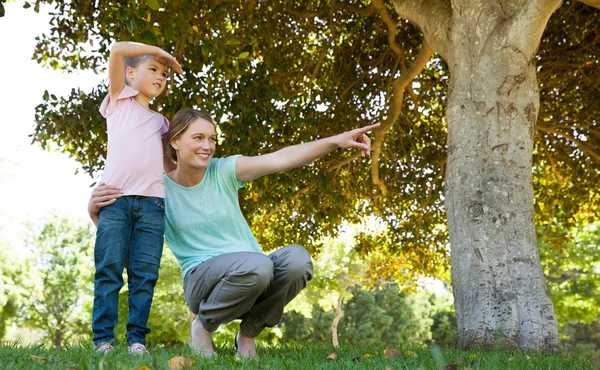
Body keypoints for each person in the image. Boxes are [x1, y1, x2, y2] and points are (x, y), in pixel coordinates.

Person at [89, 108, 378, 358]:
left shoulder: (224, 170)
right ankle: (203, 326)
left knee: (298, 260)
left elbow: (280, 159)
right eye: (198, 138)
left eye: (212, 138)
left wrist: (336, 141)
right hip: (202, 281)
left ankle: (248, 335)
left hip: (253, 272)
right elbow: (127, 255)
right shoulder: (157, 189)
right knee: (258, 264)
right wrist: (95, 214)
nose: (208, 145)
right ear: (175, 141)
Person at [90, 41, 183, 354]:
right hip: (115, 202)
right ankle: (103, 339)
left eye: (165, 73)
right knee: (109, 271)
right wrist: (163, 52)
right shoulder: (119, 101)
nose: (161, 75)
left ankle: (136, 340)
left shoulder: (161, 122)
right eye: (154, 69)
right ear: (130, 73)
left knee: (145, 275)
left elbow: (168, 165)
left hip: (153, 206)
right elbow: (116, 49)